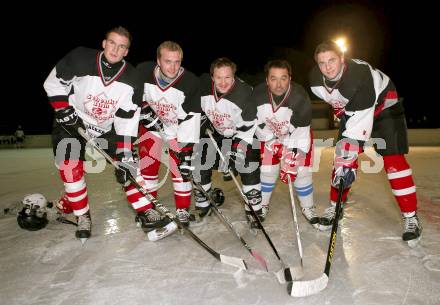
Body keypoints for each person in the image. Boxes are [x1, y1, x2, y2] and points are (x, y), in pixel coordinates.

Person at [43, 26, 170, 241]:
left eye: (122, 46)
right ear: (104, 43)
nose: (115, 49)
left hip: (105, 127)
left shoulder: (132, 78)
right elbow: (53, 82)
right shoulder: (80, 57)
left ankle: (146, 210)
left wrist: (125, 153)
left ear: (126, 52)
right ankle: (82, 215)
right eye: (112, 43)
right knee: (70, 168)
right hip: (72, 121)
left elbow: (127, 120)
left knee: (128, 166)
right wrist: (63, 109)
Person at [310, 40, 421, 244]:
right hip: (355, 110)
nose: (328, 67)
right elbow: (340, 103)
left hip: (384, 107)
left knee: (393, 161)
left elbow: (359, 121)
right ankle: (336, 207)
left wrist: (348, 155)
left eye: (332, 60)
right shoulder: (315, 81)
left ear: (342, 59)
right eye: (322, 63)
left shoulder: (358, 77)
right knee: (342, 159)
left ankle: (410, 216)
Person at [136, 41, 201, 226]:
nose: (173, 67)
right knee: (148, 166)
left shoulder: (190, 82)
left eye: (177, 61)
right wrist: (143, 110)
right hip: (152, 125)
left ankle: (182, 209)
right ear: (158, 60)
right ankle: (148, 208)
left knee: (181, 168)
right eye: (167, 61)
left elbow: (191, 118)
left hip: (177, 130)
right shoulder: (143, 72)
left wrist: (186, 150)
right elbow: (132, 94)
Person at [195, 57, 263, 227]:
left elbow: (247, 128)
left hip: (242, 134)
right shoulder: (203, 86)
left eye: (228, 77)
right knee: (200, 158)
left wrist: (235, 153)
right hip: (216, 132)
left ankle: (254, 208)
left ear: (234, 76)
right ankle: (204, 201)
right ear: (212, 77)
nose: (223, 83)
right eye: (219, 77)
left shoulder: (245, 93)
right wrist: (202, 122)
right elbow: (193, 106)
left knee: (248, 164)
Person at [252, 60, 319, 228]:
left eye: (283, 78)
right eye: (273, 79)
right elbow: (254, 123)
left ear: (290, 78)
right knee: (268, 170)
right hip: (269, 135)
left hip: (296, 136)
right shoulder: (257, 95)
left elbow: (302, 130)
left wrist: (292, 157)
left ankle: (308, 208)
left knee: (301, 172)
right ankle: (262, 206)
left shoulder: (300, 97)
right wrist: (269, 140)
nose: (279, 84)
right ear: (267, 80)